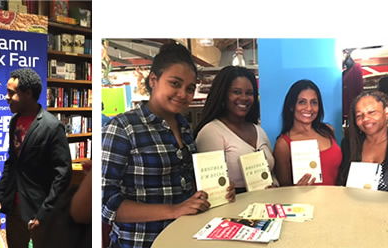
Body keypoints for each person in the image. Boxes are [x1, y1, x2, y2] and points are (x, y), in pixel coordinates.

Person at [101, 43, 236, 248]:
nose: (183, 94)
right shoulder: (123, 128)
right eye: (175, 83)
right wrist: (173, 209)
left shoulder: (184, 129)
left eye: (190, 88)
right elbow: (106, 202)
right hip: (141, 242)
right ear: (154, 80)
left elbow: (186, 187)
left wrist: (216, 191)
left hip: (185, 238)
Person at [0, 68, 72, 248]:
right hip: (14, 208)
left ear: (28, 93)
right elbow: (12, 161)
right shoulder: (14, 121)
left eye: (11, 93)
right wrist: (1, 197)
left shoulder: (51, 126)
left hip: (39, 209)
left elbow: (62, 174)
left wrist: (45, 212)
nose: (6, 97)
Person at [194, 66, 278, 194]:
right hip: (234, 210)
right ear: (223, 95)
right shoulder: (211, 132)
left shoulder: (259, 131)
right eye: (237, 92)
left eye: (249, 93)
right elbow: (212, 192)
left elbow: (271, 175)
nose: (244, 98)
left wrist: (275, 187)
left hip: (265, 207)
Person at [273, 79, 342, 186]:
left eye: (314, 102)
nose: (309, 108)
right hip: (305, 202)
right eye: (302, 102)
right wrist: (297, 188)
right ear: (291, 106)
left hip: (336, 199)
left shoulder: (328, 130)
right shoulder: (283, 144)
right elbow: (284, 189)